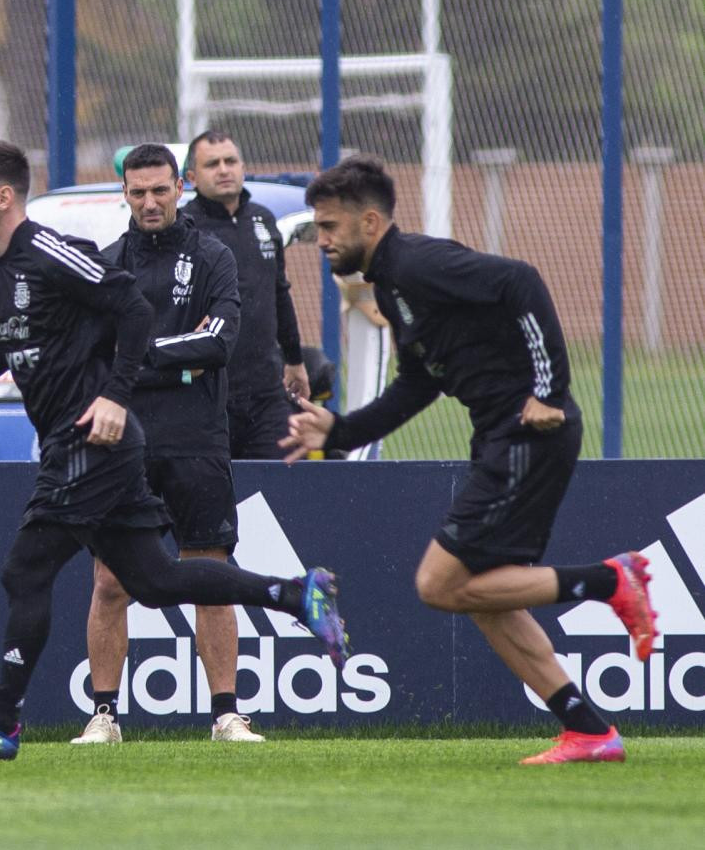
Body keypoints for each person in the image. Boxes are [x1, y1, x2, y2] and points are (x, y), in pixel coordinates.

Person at [0, 139, 347, 760]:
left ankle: (1, 722)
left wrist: (117, 393)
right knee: (154, 578)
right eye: (136, 190)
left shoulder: (54, 252)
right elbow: (12, 345)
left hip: (95, 442)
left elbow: (129, 308)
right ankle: (295, 594)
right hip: (91, 442)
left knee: (25, 569)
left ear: (2, 196)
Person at [282, 155, 658, 765]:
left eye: (329, 227)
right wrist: (340, 430)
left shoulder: (418, 263)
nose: (320, 240)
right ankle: (590, 732)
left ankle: (613, 579)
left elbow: (522, 281)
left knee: (439, 583)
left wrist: (549, 390)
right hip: (500, 437)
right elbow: (417, 385)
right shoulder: (391, 285)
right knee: (481, 595)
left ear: (370, 222)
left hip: (528, 433)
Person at [73, 144, 257, 745]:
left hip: (197, 440)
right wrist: (174, 361)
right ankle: (103, 715)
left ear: (180, 187)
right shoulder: (105, 266)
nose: (150, 202)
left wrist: (142, 356)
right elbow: (92, 356)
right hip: (123, 445)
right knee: (109, 580)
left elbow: (219, 342)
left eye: (160, 190)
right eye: (137, 192)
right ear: (123, 193)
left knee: (211, 573)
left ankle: (227, 714)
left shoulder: (213, 256)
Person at [182, 130, 309, 459]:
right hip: (207, 396)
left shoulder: (263, 220)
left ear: (243, 167)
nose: (224, 169)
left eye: (230, 161)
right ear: (193, 177)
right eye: (212, 164)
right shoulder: (185, 229)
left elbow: (279, 292)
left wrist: (294, 360)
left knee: (283, 489)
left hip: (266, 393)